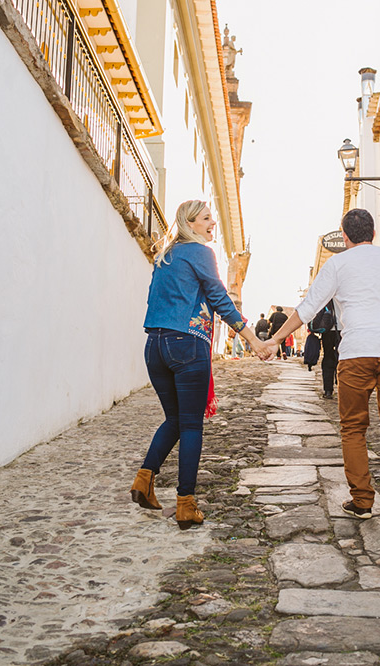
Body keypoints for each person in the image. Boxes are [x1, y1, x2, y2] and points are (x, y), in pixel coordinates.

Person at [262, 208, 380, 530]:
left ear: (345, 237)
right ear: (373, 233)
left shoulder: (337, 264)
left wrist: (275, 341)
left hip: (355, 354)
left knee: (353, 429)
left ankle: (363, 502)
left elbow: (307, 308)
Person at [131, 200, 271, 530]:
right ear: (190, 223)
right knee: (192, 425)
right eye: (207, 219)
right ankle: (186, 504)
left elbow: (154, 300)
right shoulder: (200, 253)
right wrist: (253, 339)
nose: (213, 225)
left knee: (175, 419)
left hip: (155, 346)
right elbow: (220, 298)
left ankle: (144, 480)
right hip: (187, 344)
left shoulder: (164, 257)